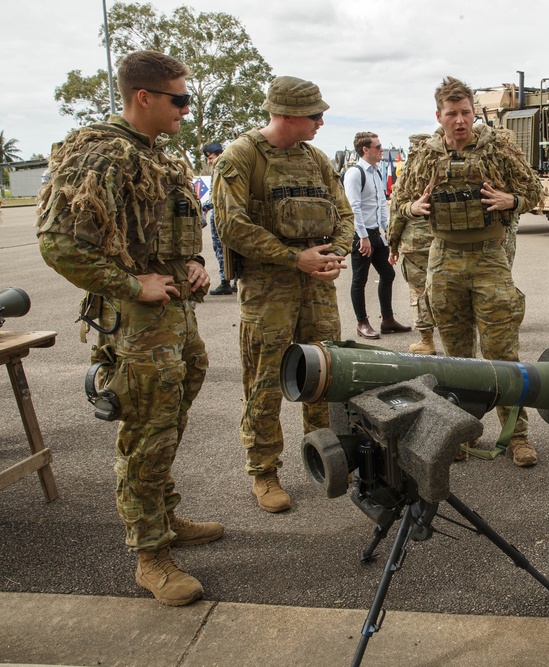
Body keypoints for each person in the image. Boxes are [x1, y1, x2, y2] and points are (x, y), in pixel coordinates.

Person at [36, 50, 222, 607]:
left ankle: (164, 512)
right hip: (139, 326)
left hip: (174, 318)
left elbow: (172, 229)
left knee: (168, 417)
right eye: (180, 99)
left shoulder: (157, 157)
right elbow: (59, 243)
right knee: (144, 430)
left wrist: (192, 262)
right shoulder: (103, 154)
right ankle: (151, 554)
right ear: (144, 97)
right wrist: (130, 284)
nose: (187, 111)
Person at [212, 76, 353, 512]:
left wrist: (335, 254)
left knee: (324, 374)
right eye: (314, 115)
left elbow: (344, 213)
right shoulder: (241, 157)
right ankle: (265, 472)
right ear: (287, 115)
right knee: (265, 381)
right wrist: (296, 260)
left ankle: (325, 455)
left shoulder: (316, 159)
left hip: (318, 288)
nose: (321, 121)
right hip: (268, 291)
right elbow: (230, 226)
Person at [390, 76, 545, 466]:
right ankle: (458, 435)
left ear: (474, 112)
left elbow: (536, 191)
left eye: (465, 113)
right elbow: (401, 200)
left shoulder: (497, 149)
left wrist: (513, 199)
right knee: (456, 356)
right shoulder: (425, 156)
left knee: (501, 352)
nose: (460, 121)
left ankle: (516, 436)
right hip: (444, 258)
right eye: (451, 114)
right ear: (438, 116)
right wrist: (413, 210)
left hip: (489, 256)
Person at [344, 131, 410, 339]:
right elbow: (353, 207)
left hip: (376, 234)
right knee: (359, 280)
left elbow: (381, 204)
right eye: (378, 147)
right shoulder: (355, 173)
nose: (382, 150)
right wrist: (362, 237)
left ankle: (388, 320)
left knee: (388, 274)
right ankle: (362, 322)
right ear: (366, 150)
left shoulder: (376, 172)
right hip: (360, 235)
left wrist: (386, 233)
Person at [387, 133, 437, 355]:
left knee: (419, 292)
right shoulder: (442, 171)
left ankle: (426, 341)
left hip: (415, 244)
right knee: (444, 290)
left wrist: (393, 246)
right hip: (443, 241)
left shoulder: (408, 174)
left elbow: (397, 213)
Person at [201, 142, 233, 296]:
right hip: (222, 212)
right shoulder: (221, 168)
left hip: (221, 213)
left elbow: (218, 196)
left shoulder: (222, 168)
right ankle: (233, 279)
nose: (209, 161)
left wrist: (203, 207)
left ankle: (225, 281)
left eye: (211, 157)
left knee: (221, 248)